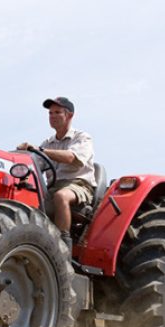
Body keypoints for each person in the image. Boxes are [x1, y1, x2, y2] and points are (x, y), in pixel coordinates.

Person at [18, 96, 96, 251]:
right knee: (23, 203)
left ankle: (63, 246)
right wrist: (23, 174)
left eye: (57, 112)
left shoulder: (82, 137)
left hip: (78, 185)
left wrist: (38, 151)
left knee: (61, 197)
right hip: (51, 188)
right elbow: (33, 167)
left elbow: (72, 158)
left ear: (69, 115)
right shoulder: (48, 143)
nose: (52, 116)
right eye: (50, 113)